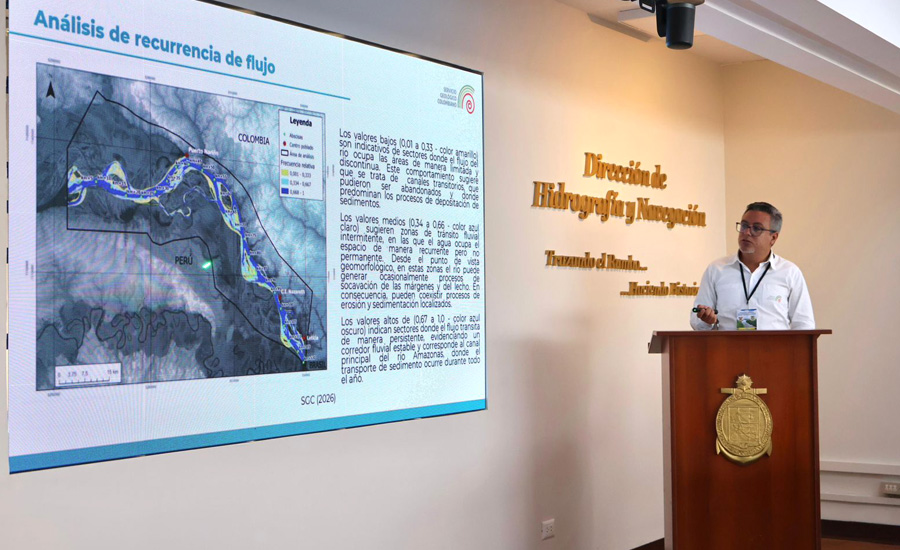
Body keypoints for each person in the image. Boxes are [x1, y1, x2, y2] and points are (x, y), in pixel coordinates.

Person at [691, 202, 815, 330]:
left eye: (756, 228)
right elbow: (696, 321)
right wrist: (706, 320)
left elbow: (804, 324)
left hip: (774, 344)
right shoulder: (716, 269)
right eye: (744, 226)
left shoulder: (789, 272)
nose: (747, 232)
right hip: (727, 343)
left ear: (773, 238)